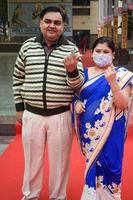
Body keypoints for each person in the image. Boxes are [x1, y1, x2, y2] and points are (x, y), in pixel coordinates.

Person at [13, 6, 84, 200]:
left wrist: (72, 70)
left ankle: (58, 196)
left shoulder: (71, 49)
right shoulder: (27, 47)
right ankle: (30, 195)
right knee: (32, 161)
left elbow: (79, 87)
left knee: (60, 162)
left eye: (57, 22)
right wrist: (20, 108)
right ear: (40, 23)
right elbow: (18, 78)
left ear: (63, 26)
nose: (52, 26)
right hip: (32, 114)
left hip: (60, 115)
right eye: (48, 21)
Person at [73, 36, 133, 200]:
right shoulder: (83, 74)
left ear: (113, 55)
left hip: (112, 130)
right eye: (98, 51)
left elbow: (123, 104)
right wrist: (76, 104)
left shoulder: (123, 75)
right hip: (90, 133)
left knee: (111, 167)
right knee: (92, 165)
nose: (101, 54)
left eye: (106, 51)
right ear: (92, 53)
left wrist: (113, 82)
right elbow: (76, 96)